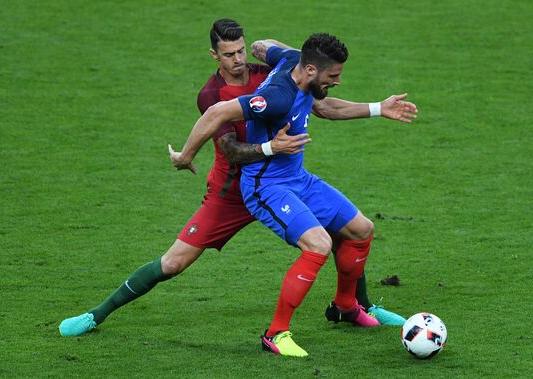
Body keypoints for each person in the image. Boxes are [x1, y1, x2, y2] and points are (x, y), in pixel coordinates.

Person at [59, 20, 404, 339]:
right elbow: (232, 151)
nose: (238, 59)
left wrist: (298, 58)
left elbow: (271, 54)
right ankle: (96, 314)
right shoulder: (216, 96)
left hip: (284, 181)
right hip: (233, 192)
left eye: (240, 50)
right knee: (173, 262)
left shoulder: (274, 70)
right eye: (229, 54)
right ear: (215, 56)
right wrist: (189, 155)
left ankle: (354, 306)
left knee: (351, 229)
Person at [169, 33, 418, 357]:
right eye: (333, 76)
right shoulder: (276, 97)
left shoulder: (294, 63)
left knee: (361, 229)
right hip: (265, 187)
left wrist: (377, 108)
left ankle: (345, 306)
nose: (338, 81)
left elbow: (262, 45)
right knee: (319, 244)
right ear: (312, 71)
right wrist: (186, 156)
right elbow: (217, 112)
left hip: (297, 179)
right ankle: (275, 334)